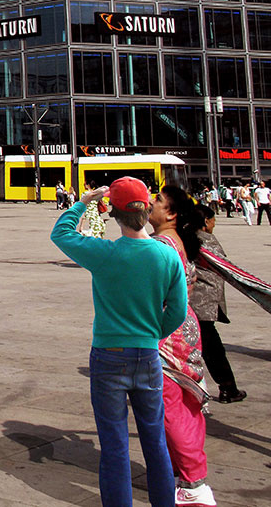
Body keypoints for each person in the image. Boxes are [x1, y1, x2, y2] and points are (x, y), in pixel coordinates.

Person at [52, 179, 186, 507]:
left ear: (113, 213)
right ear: (147, 211)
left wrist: (83, 202)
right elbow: (178, 312)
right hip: (148, 357)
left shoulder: (106, 253)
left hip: (109, 357)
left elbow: (61, 234)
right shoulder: (166, 256)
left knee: (114, 446)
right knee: (155, 442)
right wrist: (151, 335)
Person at [148, 185, 214, 505]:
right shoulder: (176, 241)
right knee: (185, 406)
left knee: (170, 409)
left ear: (171, 214)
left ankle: (193, 485)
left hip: (167, 333)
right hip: (185, 326)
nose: (151, 201)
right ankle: (185, 475)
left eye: (158, 200)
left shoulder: (160, 245)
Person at [192, 204, 245, 405]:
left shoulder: (183, 236)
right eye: (213, 220)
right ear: (206, 221)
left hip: (194, 302)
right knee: (211, 348)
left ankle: (227, 387)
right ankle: (227, 388)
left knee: (208, 346)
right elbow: (225, 266)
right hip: (202, 302)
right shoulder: (205, 239)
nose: (214, 225)